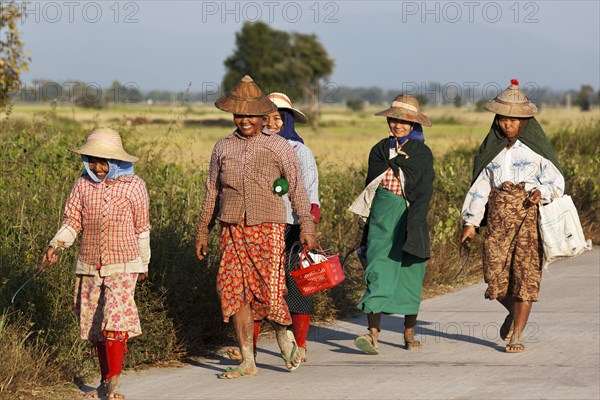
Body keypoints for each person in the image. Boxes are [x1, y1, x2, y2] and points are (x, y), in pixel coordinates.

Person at [195, 76, 317, 379]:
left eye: (251, 115)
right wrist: (202, 230)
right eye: (239, 115)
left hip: (268, 227)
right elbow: (212, 190)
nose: (244, 120)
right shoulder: (222, 147)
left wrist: (307, 226)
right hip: (232, 228)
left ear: (263, 116)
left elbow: (298, 189)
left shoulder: (279, 147)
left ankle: (282, 331)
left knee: (269, 291)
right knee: (233, 291)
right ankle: (248, 359)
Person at [41, 128, 151, 399]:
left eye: (105, 162)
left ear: (117, 162)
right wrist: (56, 245)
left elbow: (142, 228)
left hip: (124, 264)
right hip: (90, 264)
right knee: (96, 325)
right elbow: (72, 221)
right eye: (93, 160)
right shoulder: (82, 184)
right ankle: (104, 380)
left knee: (115, 321)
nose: (99, 168)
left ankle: (114, 384)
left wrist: (144, 263)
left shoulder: (134, 186)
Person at [460, 79, 564, 353]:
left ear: (524, 122)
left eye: (514, 120)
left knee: (524, 275)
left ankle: (517, 334)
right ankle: (513, 313)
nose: (508, 124)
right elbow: (480, 188)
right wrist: (470, 222)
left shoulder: (535, 151)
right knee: (493, 274)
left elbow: (557, 182)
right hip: (497, 221)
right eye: (503, 119)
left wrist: (540, 191)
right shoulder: (491, 152)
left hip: (528, 220)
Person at [227, 92, 320, 364]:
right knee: (256, 287)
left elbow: (310, 191)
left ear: (287, 120)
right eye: (265, 118)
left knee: (297, 285)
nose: (271, 123)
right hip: (258, 227)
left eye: (277, 118)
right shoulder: (248, 147)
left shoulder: (300, 151)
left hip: (292, 226)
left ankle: (300, 345)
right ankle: (250, 350)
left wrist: (308, 225)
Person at [351, 94, 434, 355]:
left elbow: (423, 190)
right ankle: (372, 335)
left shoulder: (421, 152)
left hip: (411, 216)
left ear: (413, 125)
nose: (397, 125)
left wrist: (415, 221)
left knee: (411, 272)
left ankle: (409, 334)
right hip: (381, 216)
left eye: (403, 121)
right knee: (377, 268)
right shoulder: (379, 149)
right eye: (394, 120)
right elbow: (371, 185)